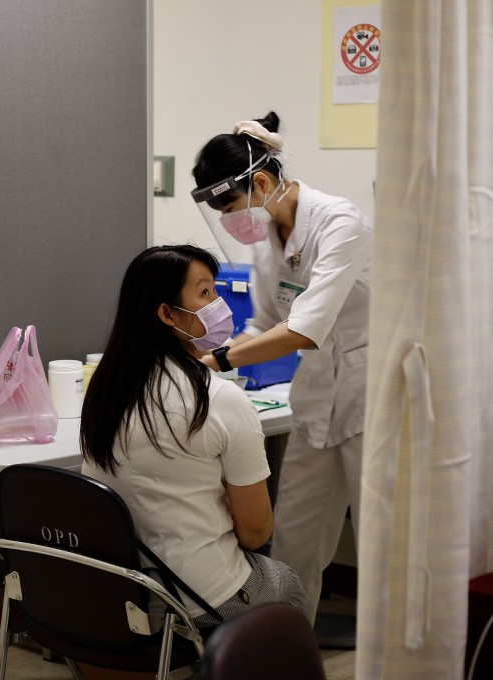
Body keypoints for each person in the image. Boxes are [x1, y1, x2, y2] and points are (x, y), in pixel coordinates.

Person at [189, 112, 372, 622]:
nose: (229, 220)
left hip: (371, 395)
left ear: (263, 182)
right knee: (295, 541)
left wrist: (217, 359)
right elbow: (266, 323)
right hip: (317, 398)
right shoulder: (270, 238)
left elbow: (302, 329)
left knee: (384, 538)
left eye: (229, 206)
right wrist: (209, 353)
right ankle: (285, 657)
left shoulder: (340, 222)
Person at [79, 245, 310, 636]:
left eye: (216, 291)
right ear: (166, 314)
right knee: (285, 585)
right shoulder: (218, 399)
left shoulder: (104, 389)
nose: (219, 305)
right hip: (196, 601)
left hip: (113, 597)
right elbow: (256, 532)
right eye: (205, 294)